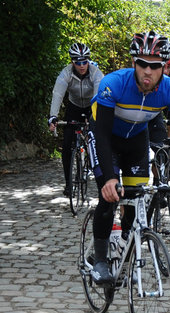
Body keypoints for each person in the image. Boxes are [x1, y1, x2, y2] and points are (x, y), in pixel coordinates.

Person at [88, 31, 170, 284]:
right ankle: (100, 260)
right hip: (105, 137)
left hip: (136, 140)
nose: (147, 71)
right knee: (109, 196)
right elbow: (103, 136)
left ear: (164, 67)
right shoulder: (113, 83)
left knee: (134, 198)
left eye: (154, 66)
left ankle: (125, 248)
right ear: (133, 63)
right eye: (142, 64)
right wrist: (108, 178)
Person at [48, 42, 104, 197]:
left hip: (90, 106)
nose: (81, 65)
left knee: (95, 140)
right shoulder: (66, 73)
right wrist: (53, 116)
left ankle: (95, 170)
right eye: (78, 62)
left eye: (85, 61)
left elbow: (99, 96)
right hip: (73, 107)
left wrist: (96, 119)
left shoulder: (96, 73)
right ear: (72, 62)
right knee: (67, 145)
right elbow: (58, 94)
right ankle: (68, 184)